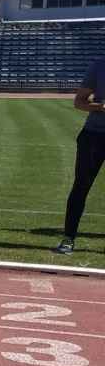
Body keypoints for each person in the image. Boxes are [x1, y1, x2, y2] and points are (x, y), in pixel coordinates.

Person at [53, 64, 105, 255]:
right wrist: (98, 107)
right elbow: (79, 101)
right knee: (81, 186)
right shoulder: (98, 68)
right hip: (94, 135)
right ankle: (68, 238)